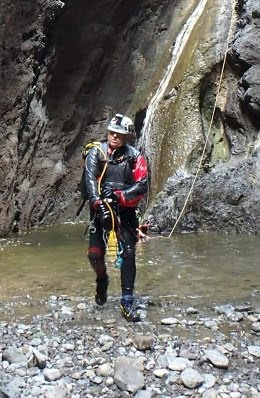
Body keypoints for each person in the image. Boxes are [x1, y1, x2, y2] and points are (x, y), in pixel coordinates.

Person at [85, 113, 148, 322]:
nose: (114, 136)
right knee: (95, 255)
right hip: (100, 209)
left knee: (129, 253)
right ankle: (102, 279)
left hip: (126, 212)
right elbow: (90, 181)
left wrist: (119, 196)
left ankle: (127, 301)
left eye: (119, 134)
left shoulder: (135, 157)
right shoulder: (97, 153)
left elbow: (142, 185)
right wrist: (98, 202)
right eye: (112, 132)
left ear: (127, 136)